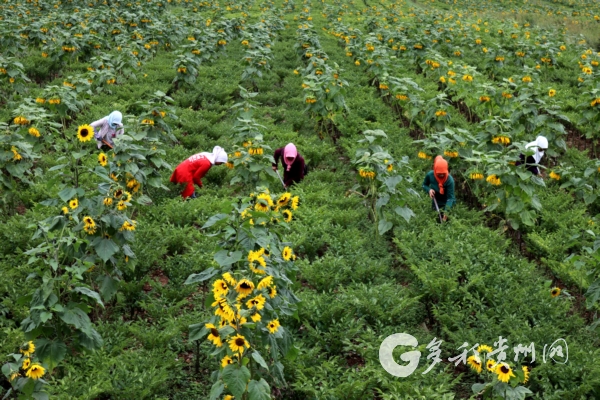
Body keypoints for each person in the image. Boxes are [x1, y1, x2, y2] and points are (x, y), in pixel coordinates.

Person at [422, 155, 455, 221]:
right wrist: (429, 190)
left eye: (443, 173)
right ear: (435, 170)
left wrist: (446, 211)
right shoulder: (430, 175)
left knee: (448, 222)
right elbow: (424, 185)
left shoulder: (450, 180)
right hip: (436, 201)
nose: (441, 175)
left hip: (448, 203)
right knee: (436, 220)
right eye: (439, 174)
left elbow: (450, 198)